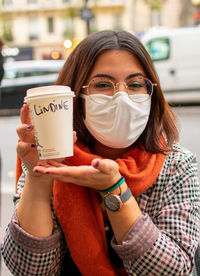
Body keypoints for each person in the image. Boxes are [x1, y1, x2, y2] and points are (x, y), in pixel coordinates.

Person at [1, 30, 200, 276]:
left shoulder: (176, 164)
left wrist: (114, 190)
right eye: (103, 85)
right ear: (75, 97)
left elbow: (176, 270)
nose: (122, 97)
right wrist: (39, 176)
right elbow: (29, 269)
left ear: (152, 93)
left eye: (136, 84)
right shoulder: (53, 158)